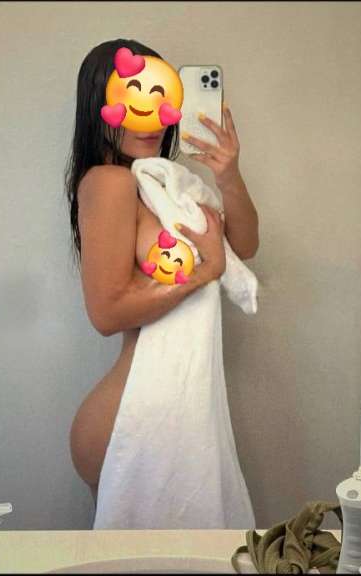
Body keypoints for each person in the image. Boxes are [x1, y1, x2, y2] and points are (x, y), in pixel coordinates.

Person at [65, 39, 259, 507]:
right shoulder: (110, 182)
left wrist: (228, 176)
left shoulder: (163, 183)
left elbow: (244, 248)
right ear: (100, 108)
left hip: (168, 409)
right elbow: (107, 313)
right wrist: (202, 273)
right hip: (131, 416)